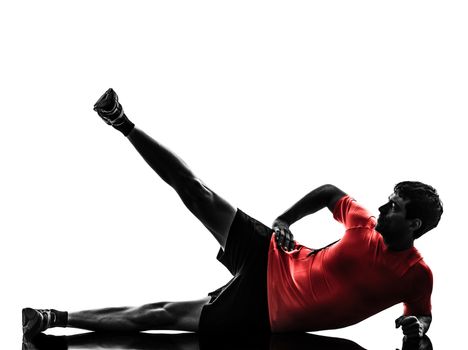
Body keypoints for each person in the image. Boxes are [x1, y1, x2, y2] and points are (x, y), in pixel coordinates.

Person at [22, 89, 443, 340]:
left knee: (161, 314)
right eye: (388, 200)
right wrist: (282, 221)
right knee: (197, 193)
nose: (383, 207)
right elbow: (330, 192)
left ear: (414, 225)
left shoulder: (415, 274)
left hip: (266, 312)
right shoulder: (363, 222)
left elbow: (418, 313)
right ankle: (123, 122)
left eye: (395, 207)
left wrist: (415, 327)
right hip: (275, 256)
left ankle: (53, 317)